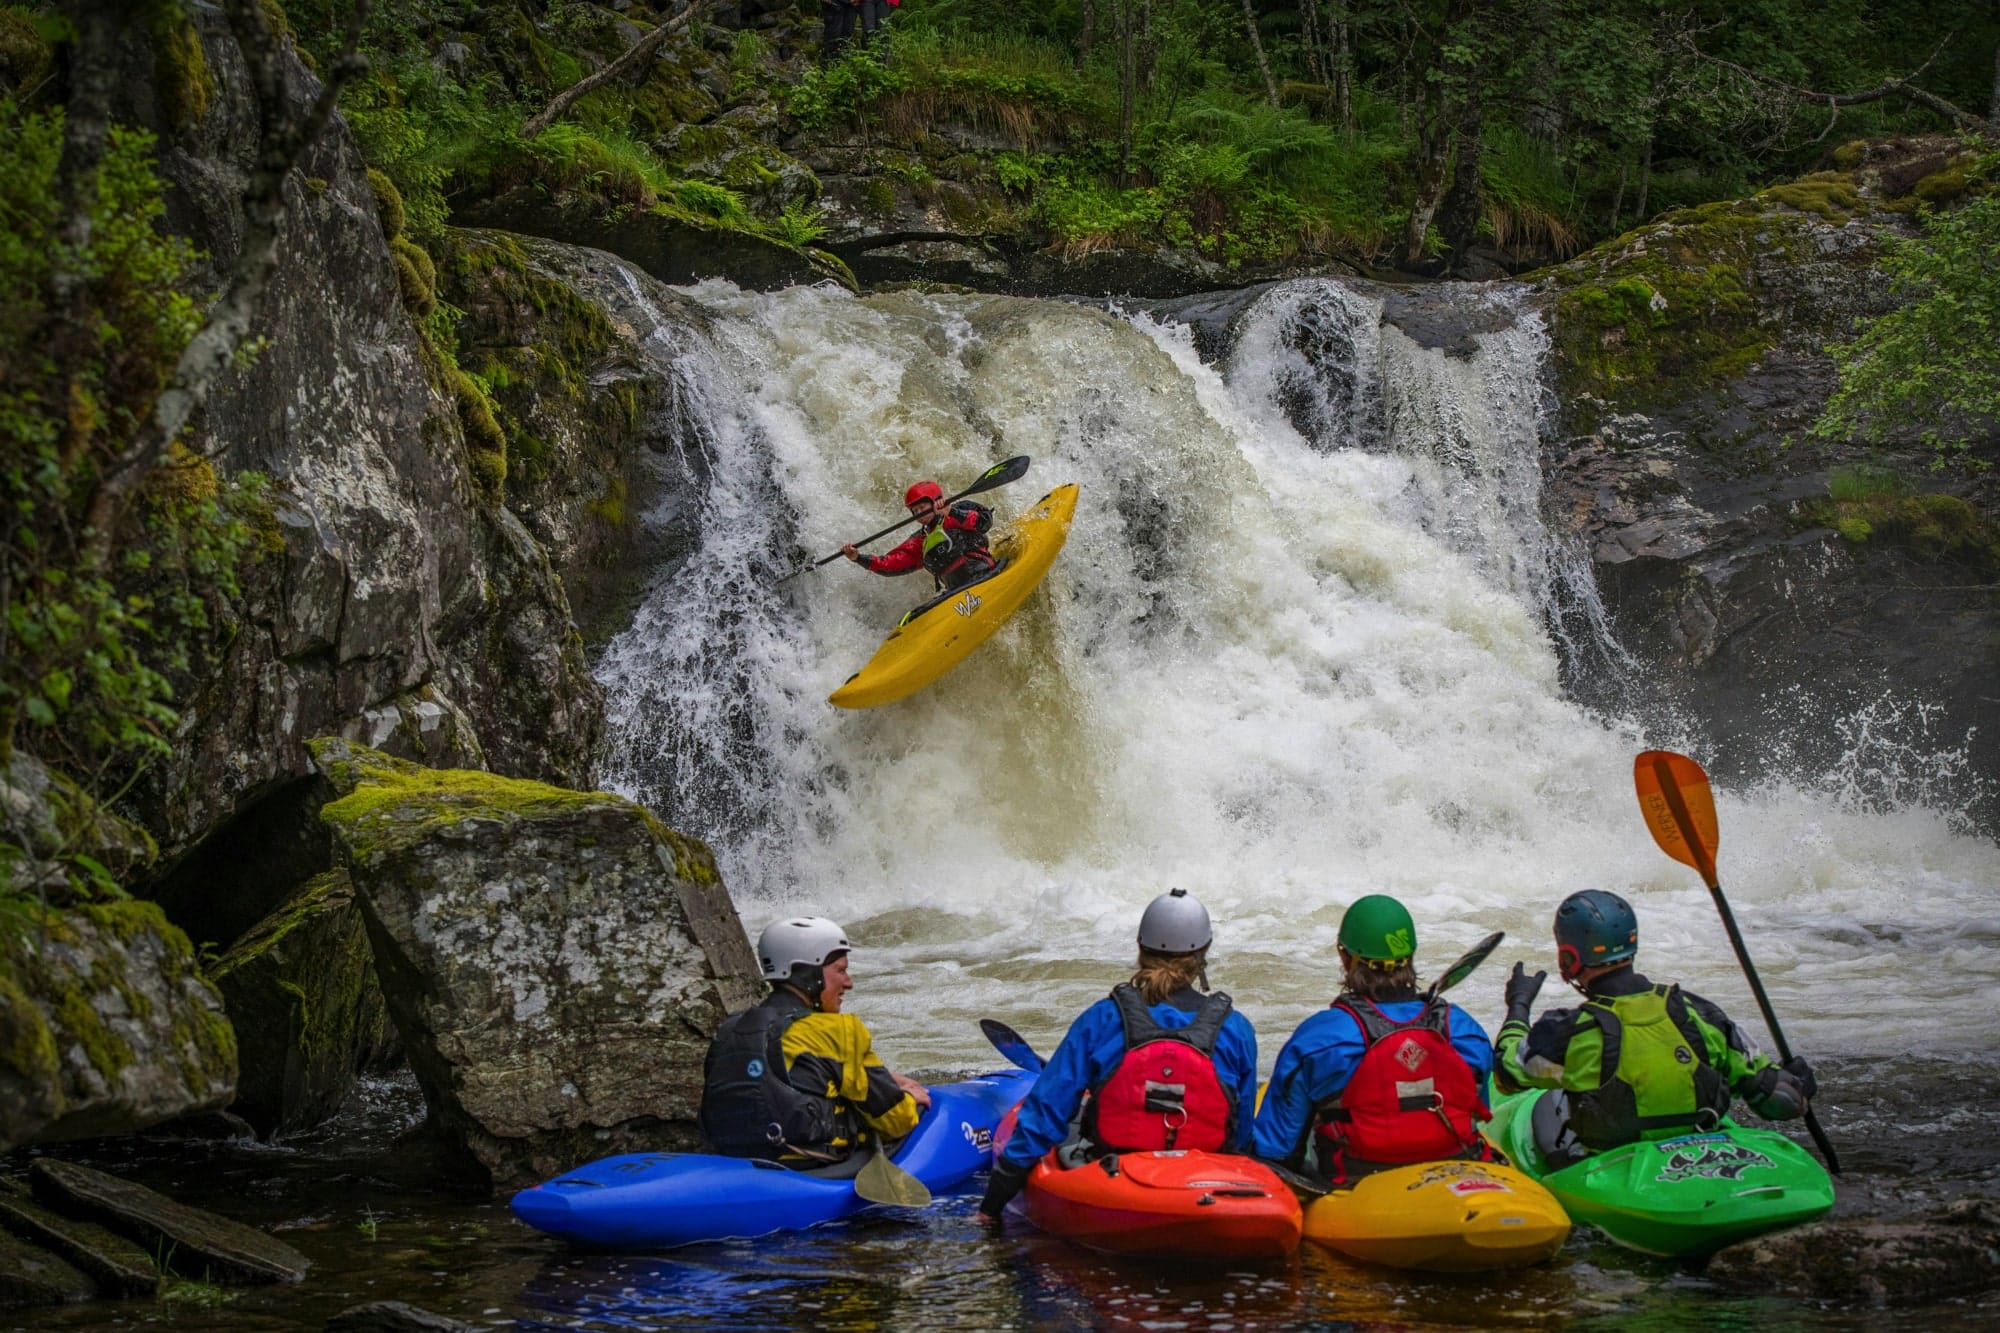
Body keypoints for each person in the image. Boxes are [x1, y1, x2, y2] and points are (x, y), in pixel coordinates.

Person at [977, 889, 1260, 1222]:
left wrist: (990, 1208)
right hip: (1204, 1182)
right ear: (1203, 953)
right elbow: (1240, 1132)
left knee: (1074, 1125)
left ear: (1141, 948)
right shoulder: (1236, 1028)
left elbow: (1045, 1114)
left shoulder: (1102, 1018)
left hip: (1114, 1173)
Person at [1493, 889, 1818, 1161]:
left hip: (1617, 1170)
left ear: (1568, 957)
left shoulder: (1568, 1031)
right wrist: (1797, 1083)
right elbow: (1779, 1102)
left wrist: (1519, 1005)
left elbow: (1506, 1074)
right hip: (1706, 1157)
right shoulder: (1699, 1012)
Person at [1251, 894, 1496, 1184]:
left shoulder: (1319, 1040)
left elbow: (1277, 1151)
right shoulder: (1465, 1031)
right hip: (1456, 1171)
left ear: (1345, 959)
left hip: (1356, 1181)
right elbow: (1478, 1111)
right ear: (1411, 957)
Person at [700, 915, 931, 1164]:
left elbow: (784, 1073)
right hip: (811, 1164)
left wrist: (889, 1078)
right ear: (809, 974)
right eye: (841, 970)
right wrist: (911, 1099)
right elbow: (896, 1121)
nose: (849, 983)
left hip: (734, 1162)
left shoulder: (731, 1028)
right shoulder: (836, 1031)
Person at [843, 479, 998, 594]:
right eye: (915, 511)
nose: (919, 514)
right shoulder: (921, 541)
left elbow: (984, 522)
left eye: (922, 508)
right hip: (958, 591)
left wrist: (952, 511)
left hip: (986, 574)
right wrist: (858, 557)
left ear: (935, 502)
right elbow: (890, 563)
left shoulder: (959, 510)